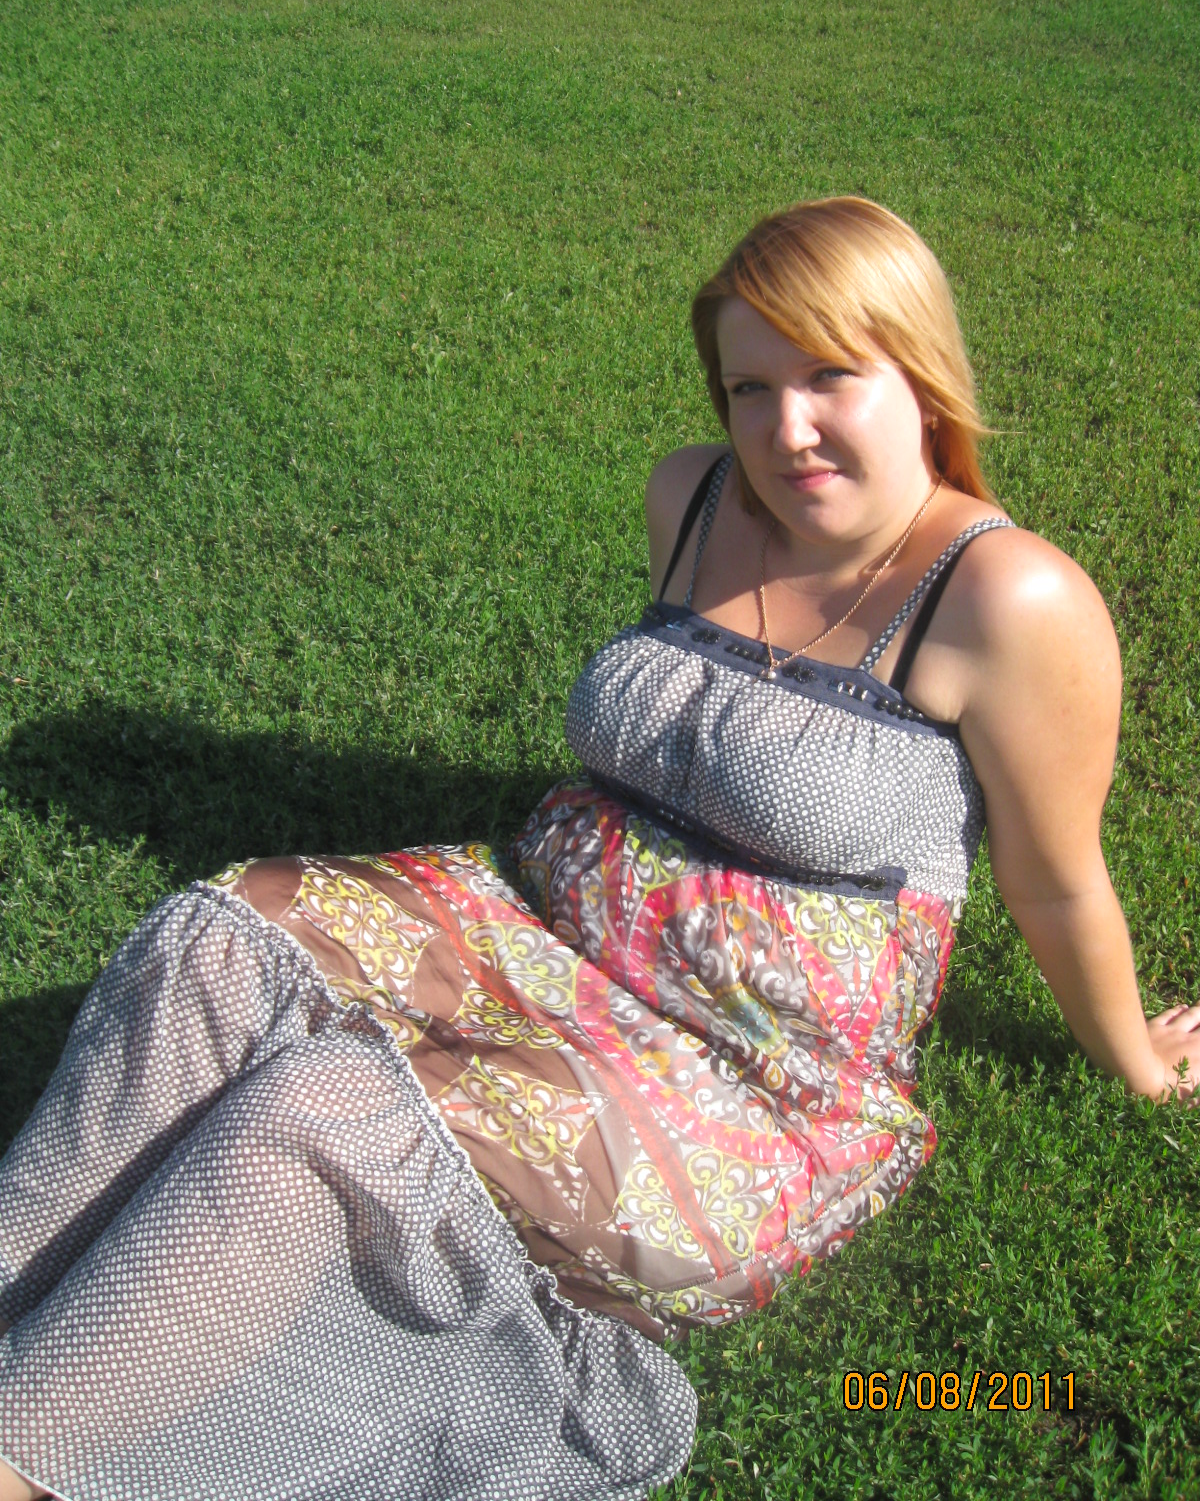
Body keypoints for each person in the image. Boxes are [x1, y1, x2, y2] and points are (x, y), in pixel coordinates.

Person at [1, 195, 1197, 1501]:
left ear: (921, 370)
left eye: (830, 377)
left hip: (747, 1077)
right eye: (750, 387)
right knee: (215, 940)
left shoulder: (1005, 597)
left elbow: (1055, 878)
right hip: (536, 937)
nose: (785, 430)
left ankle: (32, 1461)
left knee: (327, 1111)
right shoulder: (694, 494)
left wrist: (1135, 1060)